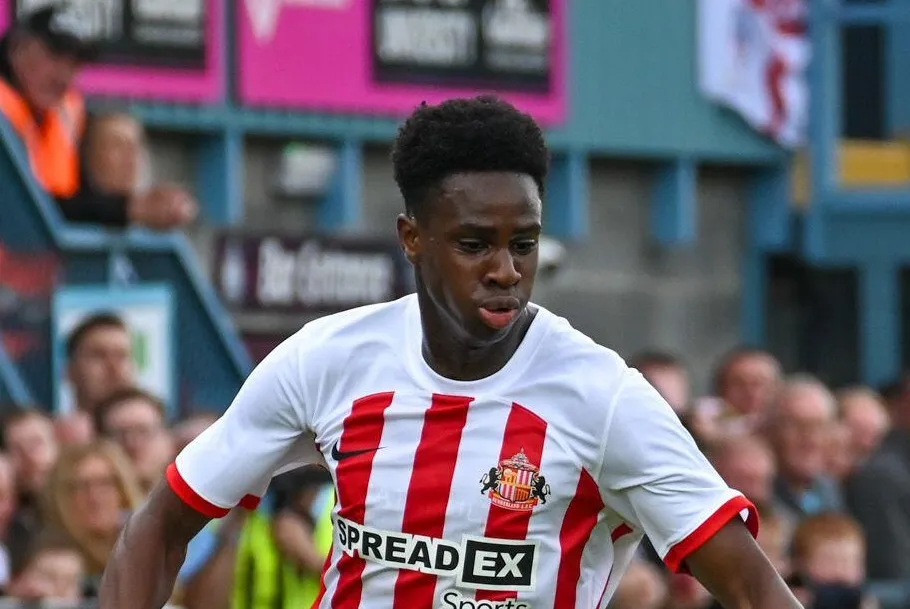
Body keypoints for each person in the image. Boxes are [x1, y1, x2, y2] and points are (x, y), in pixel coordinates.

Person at [99, 96, 800, 609]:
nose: (504, 268)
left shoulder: (604, 397)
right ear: (411, 237)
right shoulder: (324, 360)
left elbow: (755, 588)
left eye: (523, 243)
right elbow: (158, 524)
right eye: (474, 244)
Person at [0, 4, 196, 229]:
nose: (63, 76)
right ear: (18, 50)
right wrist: (129, 209)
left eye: (75, 64)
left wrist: (144, 206)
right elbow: (18, 207)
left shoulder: (67, 111)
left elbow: (78, 200)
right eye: (54, 56)